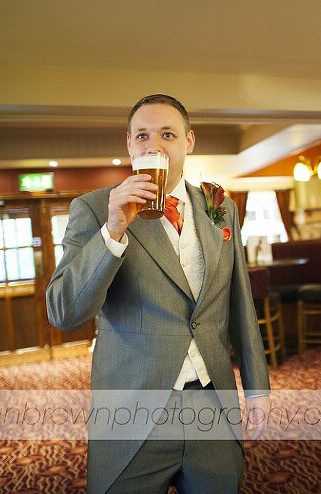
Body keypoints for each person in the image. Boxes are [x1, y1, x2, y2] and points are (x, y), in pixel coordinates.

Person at [46, 94, 270, 494]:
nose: (153, 145)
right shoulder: (96, 208)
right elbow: (63, 312)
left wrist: (256, 387)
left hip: (211, 403)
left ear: (189, 142)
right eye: (142, 135)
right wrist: (113, 231)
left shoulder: (221, 207)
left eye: (167, 134)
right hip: (133, 407)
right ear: (129, 144)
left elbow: (240, 303)